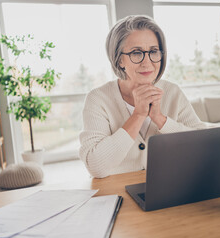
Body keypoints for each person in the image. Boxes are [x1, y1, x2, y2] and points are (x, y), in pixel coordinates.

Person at [79, 15, 207, 178]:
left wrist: (161, 120)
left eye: (153, 51)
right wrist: (138, 115)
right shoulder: (98, 99)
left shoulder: (172, 92)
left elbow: (203, 146)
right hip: (116, 192)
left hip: (168, 186)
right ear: (119, 60)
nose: (147, 62)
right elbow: (96, 166)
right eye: (136, 53)